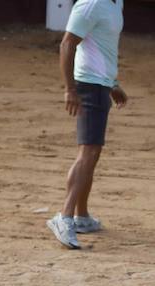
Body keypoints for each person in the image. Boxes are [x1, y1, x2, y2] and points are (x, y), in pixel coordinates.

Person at [48, 0, 126, 250]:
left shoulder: (115, 3)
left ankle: (81, 216)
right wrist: (70, 90)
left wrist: (112, 83)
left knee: (93, 152)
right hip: (87, 86)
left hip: (101, 85)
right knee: (88, 152)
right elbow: (67, 43)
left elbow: (104, 47)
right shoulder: (91, 3)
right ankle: (65, 216)